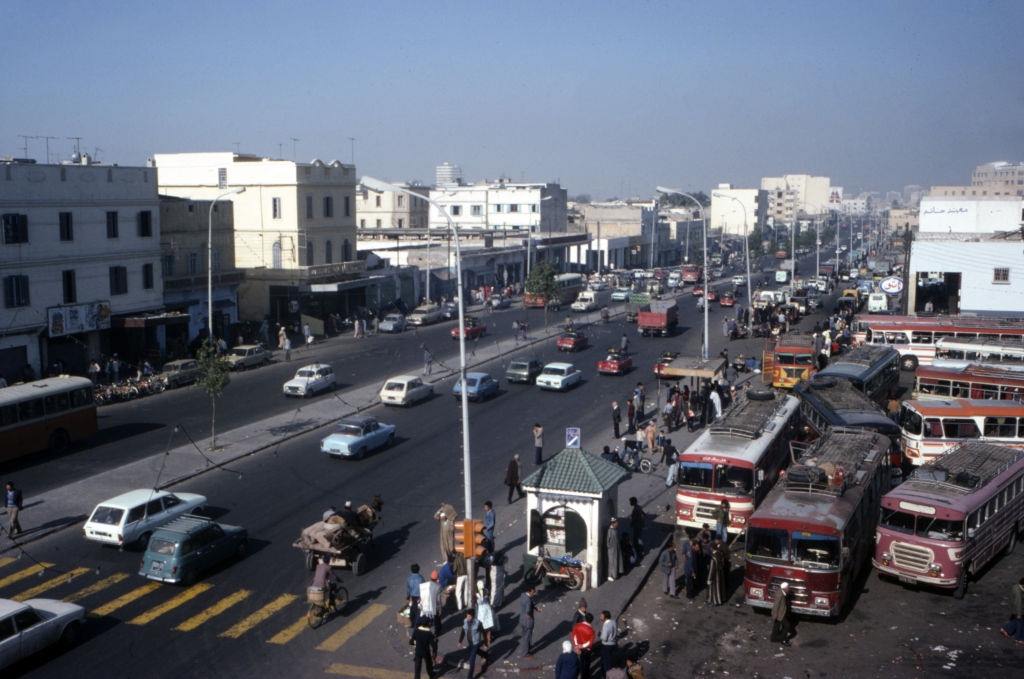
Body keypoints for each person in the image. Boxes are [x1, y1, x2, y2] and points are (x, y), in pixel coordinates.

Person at [458, 608, 486, 678]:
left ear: (473, 616)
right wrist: (460, 641)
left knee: (471, 660)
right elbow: (463, 631)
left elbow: (483, 632)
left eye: (469, 616)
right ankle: (485, 655)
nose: (467, 618)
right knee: (477, 651)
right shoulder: (465, 621)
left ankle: (470, 677)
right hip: (470, 642)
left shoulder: (478, 623)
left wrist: (485, 642)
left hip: (476, 643)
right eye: (467, 616)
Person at [571, 611, 597, 679]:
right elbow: (590, 642)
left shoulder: (577, 626)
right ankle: (586, 675)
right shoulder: (591, 631)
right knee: (587, 663)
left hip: (579, 647)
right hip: (587, 649)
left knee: (581, 661)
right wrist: (582, 646)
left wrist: (577, 645)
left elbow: (574, 636)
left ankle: (581, 674)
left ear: (585, 618)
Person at [517, 585, 539, 658]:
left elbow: (529, 602)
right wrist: (530, 617)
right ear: (530, 591)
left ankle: (527, 648)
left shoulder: (523, 595)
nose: (534, 592)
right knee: (527, 637)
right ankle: (525, 653)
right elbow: (528, 611)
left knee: (525, 636)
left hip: (522, 620)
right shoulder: (528, 601)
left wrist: (535, 608)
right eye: (533, 591)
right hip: (528, 622)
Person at [771, 582, 793, 646]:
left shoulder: (782, 592)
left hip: (779, 613)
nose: (789, 589)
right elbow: (776, 605)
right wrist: (774, 615)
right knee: (787, 626)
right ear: (785, 588)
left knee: (776, 626)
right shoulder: (780, 595)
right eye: (788, 588)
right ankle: (783, 639)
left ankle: (774, 638)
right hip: (780, 614)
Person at [707, 541, 726, 607]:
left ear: (712, 548)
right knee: (720, 587)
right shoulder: (720, 553)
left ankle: (715, 601)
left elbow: (712, 569)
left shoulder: (713, 558)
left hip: (715, 575)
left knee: (715, 589)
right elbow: (723, 563)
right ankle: (721, 599)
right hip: (720, 573)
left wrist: (709, 579)